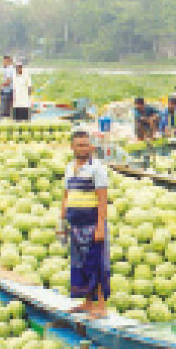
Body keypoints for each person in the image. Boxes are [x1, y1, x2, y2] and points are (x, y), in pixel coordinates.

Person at [61, 130, 110, 320]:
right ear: (72, 147)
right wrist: (62, 221)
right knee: (80, 264)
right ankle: (87, 302)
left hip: (91, 222)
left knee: (97, 263)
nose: (82, 148)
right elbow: (66, 196)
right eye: (78, 145)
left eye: (85, 145)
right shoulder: (69, 168)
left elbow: (102, 199)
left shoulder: (97, 168)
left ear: (91, 147)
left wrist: (100, 226)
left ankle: (101, 306)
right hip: (75, 222)